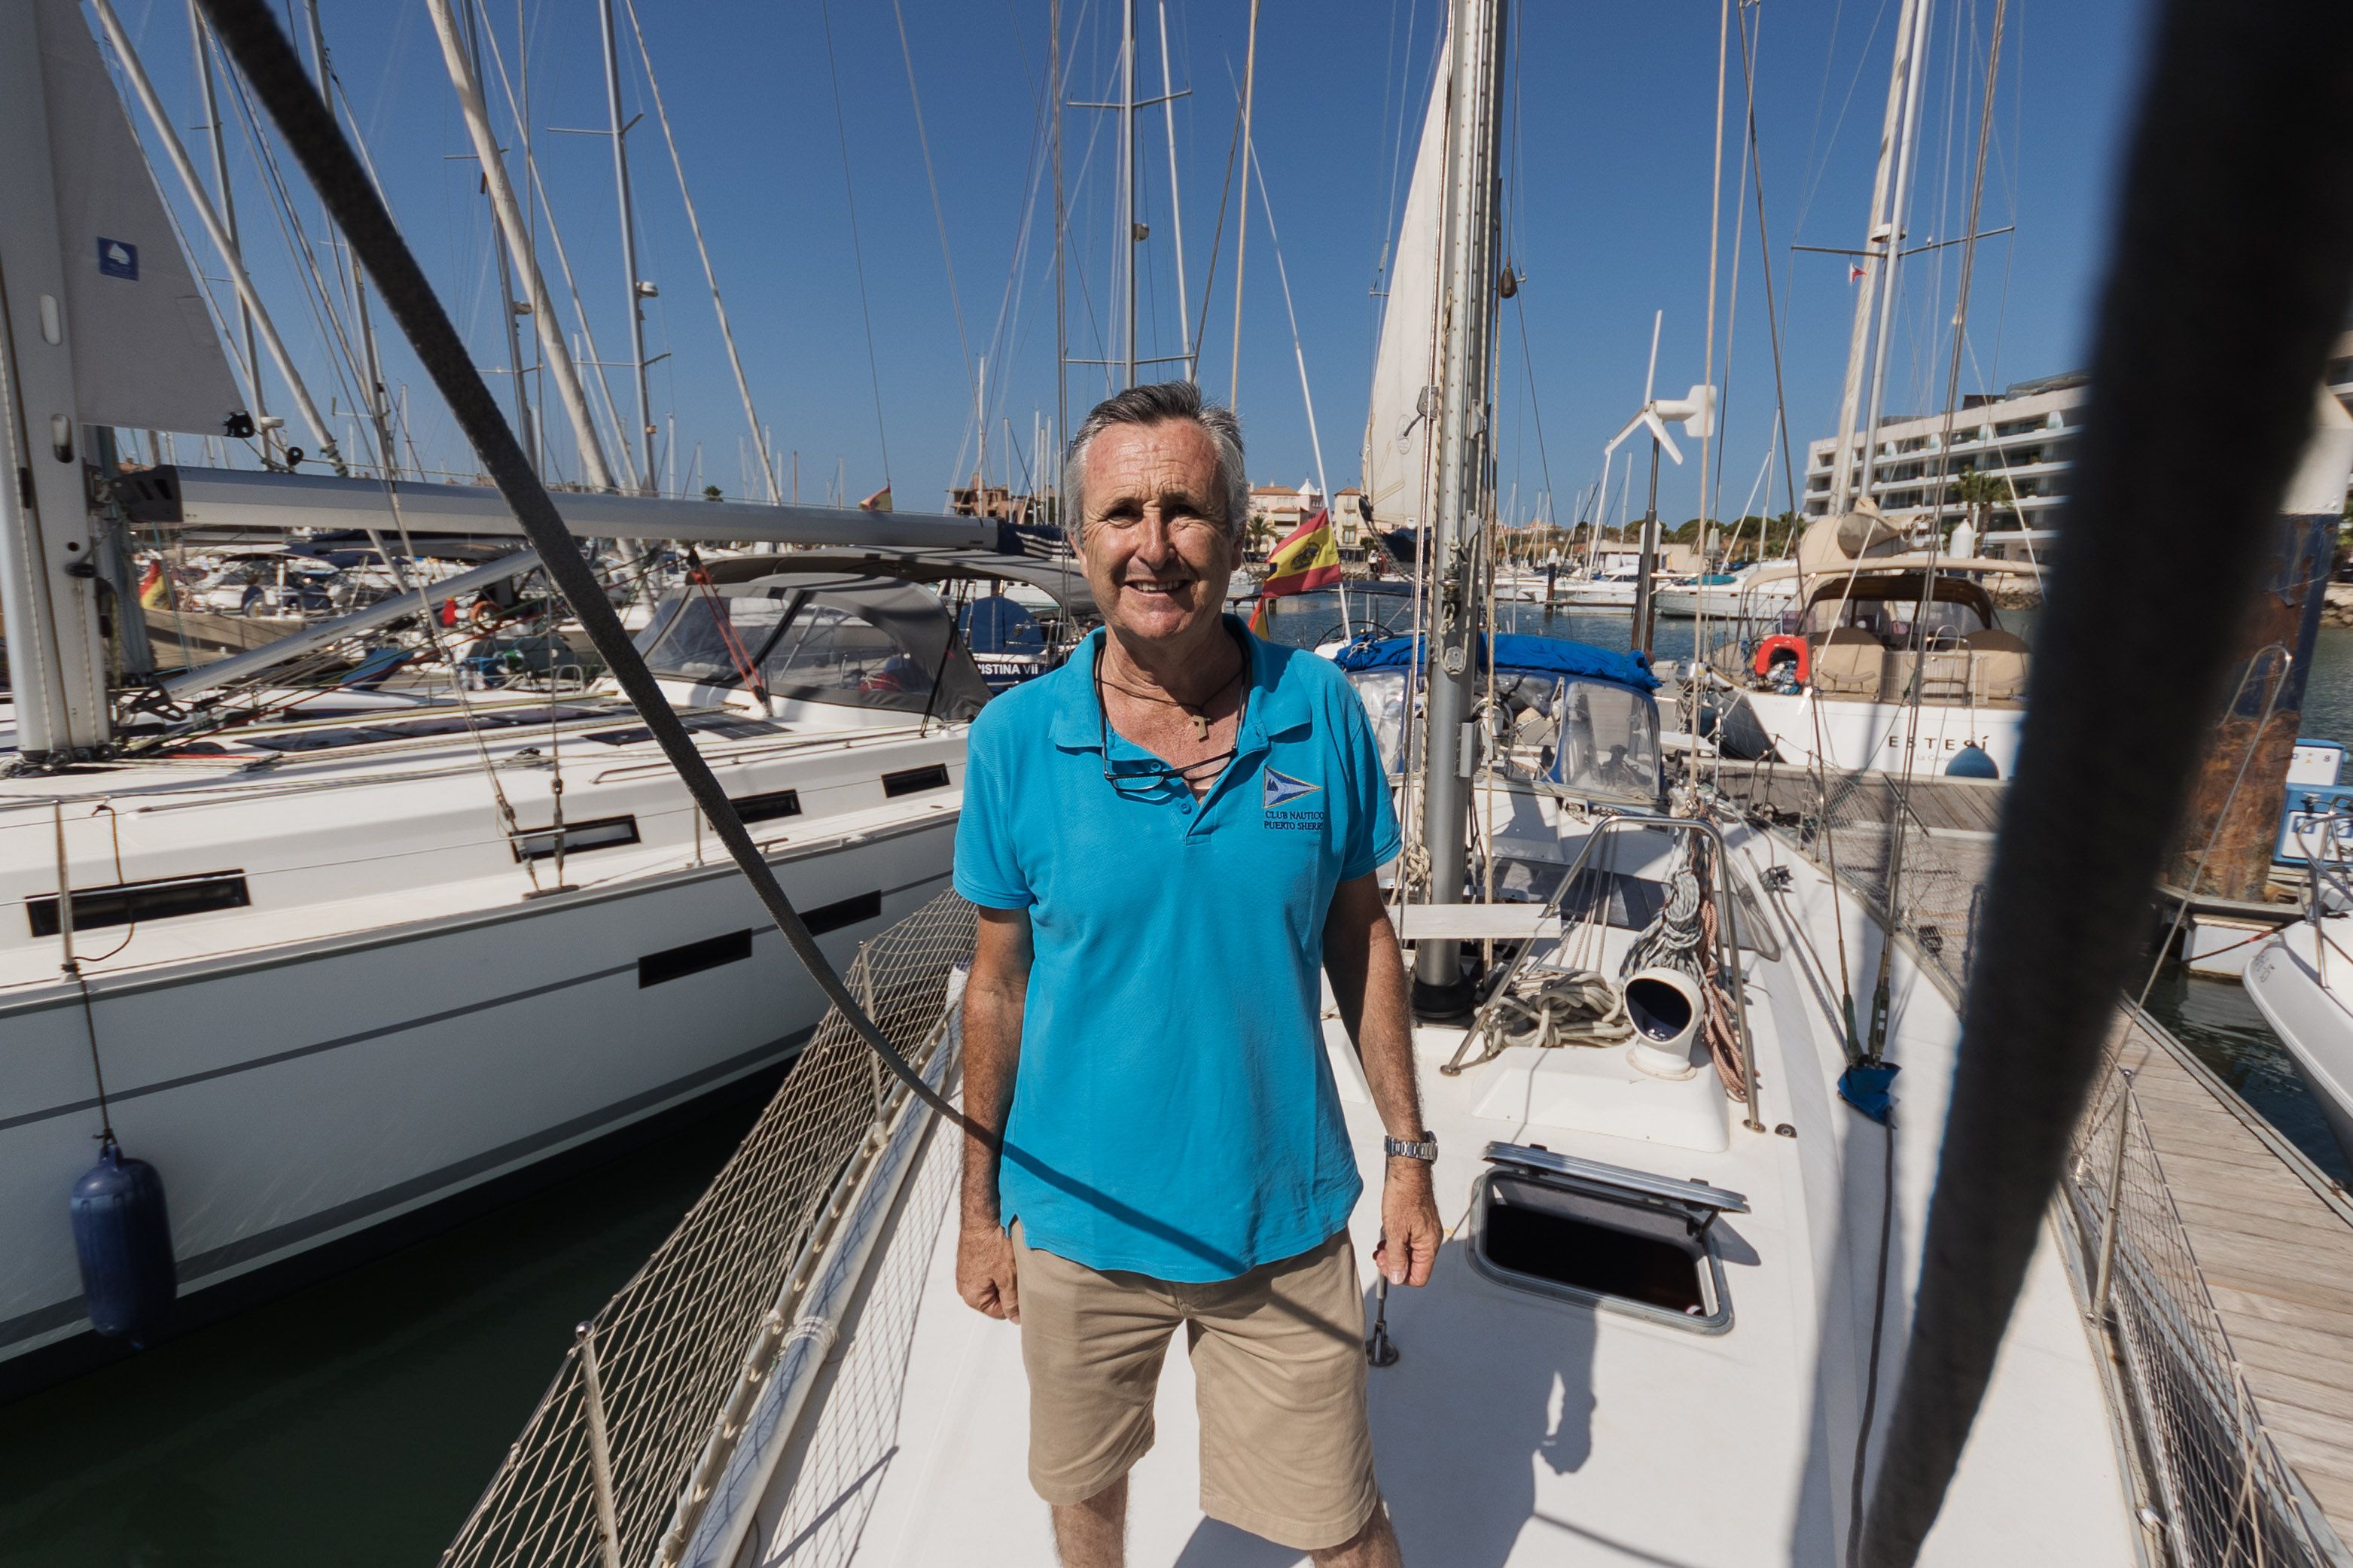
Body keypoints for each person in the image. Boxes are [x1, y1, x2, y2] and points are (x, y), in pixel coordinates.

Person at [954, 382, 1442, 1568]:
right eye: (1123, 512)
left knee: (1340, 1527)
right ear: (1080, 541)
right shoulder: (1014, 741)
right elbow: (997, 987)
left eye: (1185, 510)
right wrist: (975, 1215)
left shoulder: (1316, 707)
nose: (1154, 544)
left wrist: (1408, 1157)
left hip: (1273, 1217)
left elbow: (1361, 935)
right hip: (1076, 1225)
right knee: (1085, 1498)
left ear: (1234, 539)